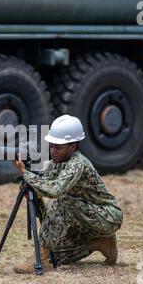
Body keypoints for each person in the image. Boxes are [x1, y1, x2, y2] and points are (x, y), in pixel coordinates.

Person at [13, 115, 123, 274]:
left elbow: (55, 190)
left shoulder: (78, 163)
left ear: (73, 146)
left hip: (106, 216)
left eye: (58, 147)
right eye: (51, 146)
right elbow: (44, 186)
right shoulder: (58, 163)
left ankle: (41, 260)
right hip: (84, 217)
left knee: (62, 201)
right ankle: (101, 242)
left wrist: (25, 173)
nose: (53, 151)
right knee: (56, 254)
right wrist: (29, 183)